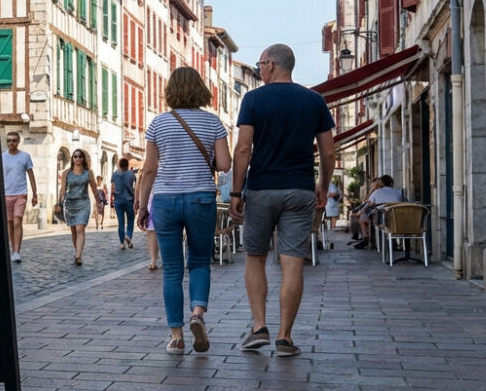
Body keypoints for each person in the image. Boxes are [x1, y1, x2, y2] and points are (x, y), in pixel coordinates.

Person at [229, 44, 335, 358]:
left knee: (255, 257)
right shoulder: (314, 100)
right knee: (292, 263)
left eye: (261, 64)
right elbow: (328, 152)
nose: (259, 69)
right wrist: (322, 186)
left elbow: (243, 150)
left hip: (262, 188)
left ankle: (259, 326)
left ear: (272, 64)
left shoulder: (253, 99)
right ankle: (285, 337)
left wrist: (236, 193)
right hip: (300, 189)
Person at [134, 67, 231, 355]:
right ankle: (197, 314)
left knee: (172, 271)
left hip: (165, 200)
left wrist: (141, 206)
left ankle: (176, 337)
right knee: (200, 261)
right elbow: (225, 164)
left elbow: (149, 169)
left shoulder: (158, 124)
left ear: (170, 90)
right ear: (200, 89)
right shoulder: (213, 123)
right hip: (201, 197)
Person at [58, 149, 101, 267]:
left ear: (84, 158)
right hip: (70, 204)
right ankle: (77, 251)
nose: (77, 159)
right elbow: (63, 189)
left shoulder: (88, 173)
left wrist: (98, 202)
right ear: (72, 158)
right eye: (75, 156)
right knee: (74, 232)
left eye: (80, 156)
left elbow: (94, 189)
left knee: (80, 229)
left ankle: (78, 256)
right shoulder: (67, 172)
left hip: (83, 204)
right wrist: (59, 203)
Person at [2, 131, 37, 264]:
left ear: (18, 142)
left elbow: (31, 176)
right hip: (6, 194)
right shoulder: (2, 157)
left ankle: (17, 252)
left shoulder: (25, 157)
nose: (11, 143)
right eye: (9, 140)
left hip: (20, 194)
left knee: (17, 221)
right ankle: (13, 249)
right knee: (10, 223)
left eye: (14, 140)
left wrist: (34, 194)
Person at [351, 175, 403, 248]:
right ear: (391, 183)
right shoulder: (398, 193)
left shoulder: (376, 192)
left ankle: (368, 238)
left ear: (382, 183)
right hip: (396, 220)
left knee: (369, 215)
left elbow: (368, 203)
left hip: (381, 221)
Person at [111, 158, 136, 249]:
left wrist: (112, 199)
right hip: (129, 200)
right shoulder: (131, 175)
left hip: (118, 200)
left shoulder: (114, 175)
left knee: (121, 222)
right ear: (127, 165)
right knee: (130, 220)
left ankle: (122, 243)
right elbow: (134, 187)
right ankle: (128, 236)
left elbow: (112, 187)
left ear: (119, 165)